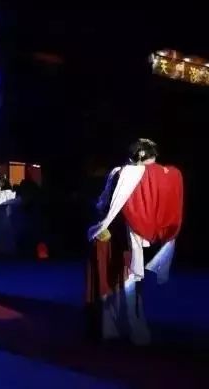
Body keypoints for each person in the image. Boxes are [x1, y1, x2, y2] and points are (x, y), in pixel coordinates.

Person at [86, 139, 183, 345]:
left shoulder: (124, 172)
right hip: (131, 236)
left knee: (114, 282)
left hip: (116, 235)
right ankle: (134, 330)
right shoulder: (160, 174)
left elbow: (103, 204)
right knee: (130, 283)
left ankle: (113, 329)